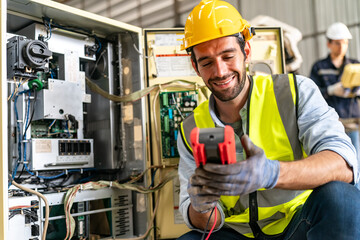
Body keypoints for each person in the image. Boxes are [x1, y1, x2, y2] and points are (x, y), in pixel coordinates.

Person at [177, 1, 360, 239]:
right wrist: (201, 206)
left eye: (228, 56)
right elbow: (203, 220)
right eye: (207, 62)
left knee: (341, 198)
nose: (220, 71)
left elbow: (344, 164)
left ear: (247, 52)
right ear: (195, 66)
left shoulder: (294, 93)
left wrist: (272, 173)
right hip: (238, 233)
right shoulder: (191, 128)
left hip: (298, 224)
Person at [310, 22, 360, 161]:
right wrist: (330, 90)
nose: (342, 47)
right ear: (329, 44)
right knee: (335, 161)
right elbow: (311, 94)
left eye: (344, 43)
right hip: (331, 123)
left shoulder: (355, 65)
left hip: (352, 122)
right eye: (337, 43)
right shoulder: (319, 67)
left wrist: (356, 91)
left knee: (355, 162)